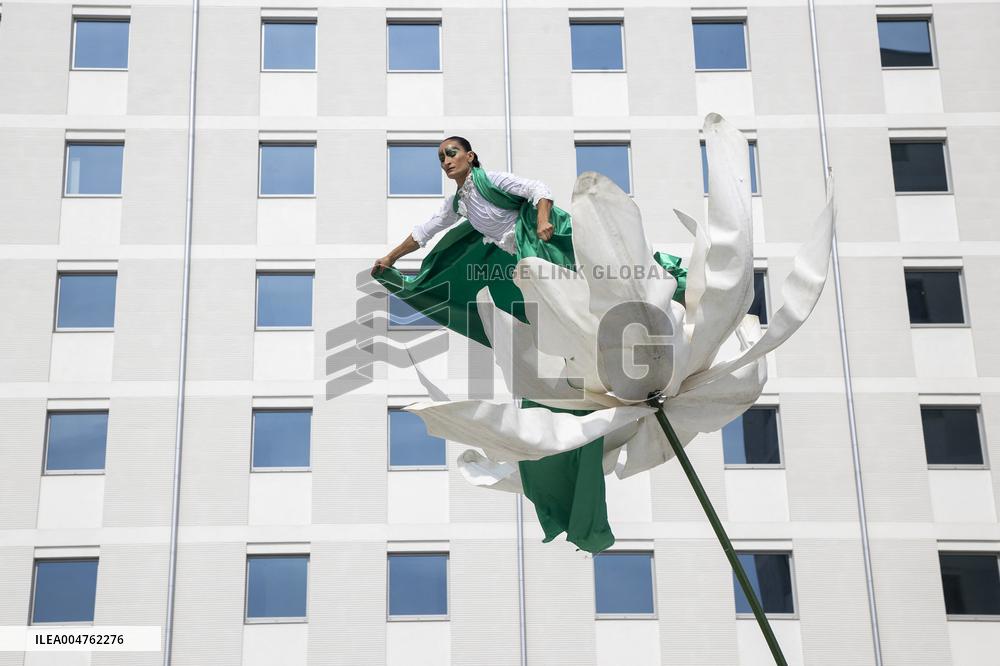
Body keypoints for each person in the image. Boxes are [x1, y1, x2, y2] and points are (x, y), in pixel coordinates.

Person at [370, 136, 687, 552]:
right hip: (520, 266)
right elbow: (424, 232)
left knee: (592, 281)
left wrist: (542, 222)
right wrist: (391, 259)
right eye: (440, 158)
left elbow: (538, 189)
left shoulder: (492, 181)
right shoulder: (459, 204)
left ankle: (655, 283)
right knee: (546, 319)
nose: (445, 162)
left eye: (451, 153)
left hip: (541, 247)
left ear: (470, 157)